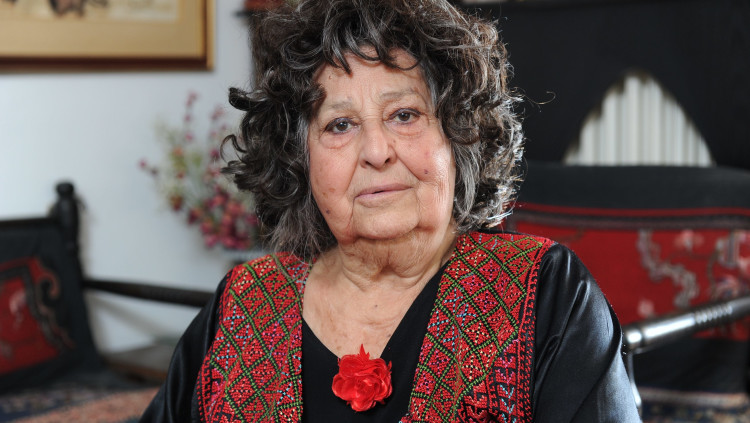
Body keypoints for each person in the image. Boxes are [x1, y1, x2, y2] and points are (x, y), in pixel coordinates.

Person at [141, 0, 641, 421]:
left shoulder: (545, 290)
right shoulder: (243, 303)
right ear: (301, 159)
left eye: (404, 115)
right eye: (339, 125)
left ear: (458, 137)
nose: (376, 152)